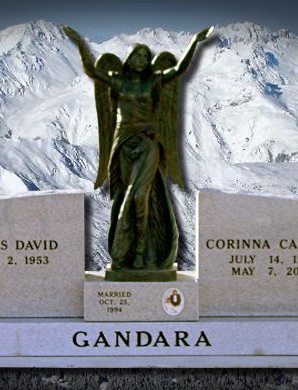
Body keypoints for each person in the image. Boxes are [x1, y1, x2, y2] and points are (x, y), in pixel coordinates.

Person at [63, 25, 213, 278]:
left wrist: (195, 42)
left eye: (146, 57)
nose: (142, 61)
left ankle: (141, 253)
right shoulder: (117, 80)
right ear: (130, 60)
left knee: (138, 198)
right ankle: (127, 256)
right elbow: (91, 70)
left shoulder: (154, 80)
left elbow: (178, 70)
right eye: (138, 56)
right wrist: (79, 42)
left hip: (147, 142)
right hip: (122, 144)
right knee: (123, 198)